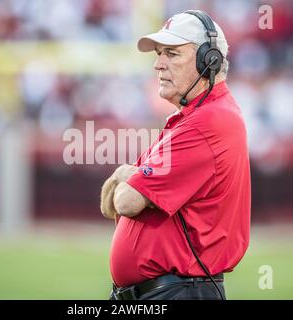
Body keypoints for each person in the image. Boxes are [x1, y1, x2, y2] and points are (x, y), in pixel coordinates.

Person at [100, 10, 251, 300]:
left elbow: (126, 201)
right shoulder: (193, 117)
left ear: (209, 61)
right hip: (166, 291)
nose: (158, 64)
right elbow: (111, 205)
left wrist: (124, 173)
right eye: (159, 54)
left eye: (172, 54)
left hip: (179, 291)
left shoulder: (206, 122)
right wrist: (126, 177)